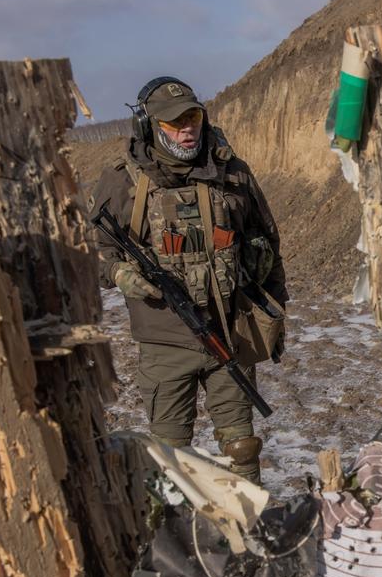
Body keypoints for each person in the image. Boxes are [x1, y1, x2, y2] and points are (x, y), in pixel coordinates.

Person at [91, 76, 287, 485]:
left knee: (242, 447)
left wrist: (276, 311)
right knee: (171, 457)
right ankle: (175, 535)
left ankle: (249, 529)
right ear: (149, 126)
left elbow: (268, 241)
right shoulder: (123, 180)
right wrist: (121, 273)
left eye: (193, 116)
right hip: (165, 343)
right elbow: (93, 250)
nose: (187, 128)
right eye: (174, 121)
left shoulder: (231, 171)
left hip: (228, 333)